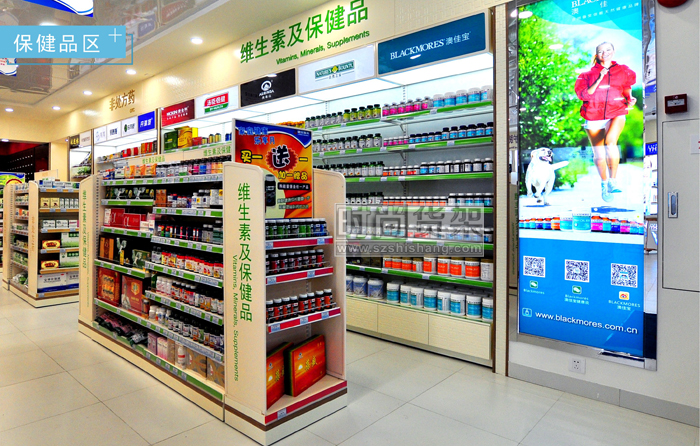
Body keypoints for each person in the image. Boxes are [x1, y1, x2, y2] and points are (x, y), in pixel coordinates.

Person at [575, 42, 637, 203]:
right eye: (601, 51)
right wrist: (599, 78)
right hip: (593, 115)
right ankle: (604, 183)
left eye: (608, 50)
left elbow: (626, 86)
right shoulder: (586, 75)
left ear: (613, 51)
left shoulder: (623, 70)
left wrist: (630, 98)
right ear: (597, 55)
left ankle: (613, 181)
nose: (605, 53)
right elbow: (584, 95)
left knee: (611, 142)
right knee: (599, 154)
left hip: (616, 111)